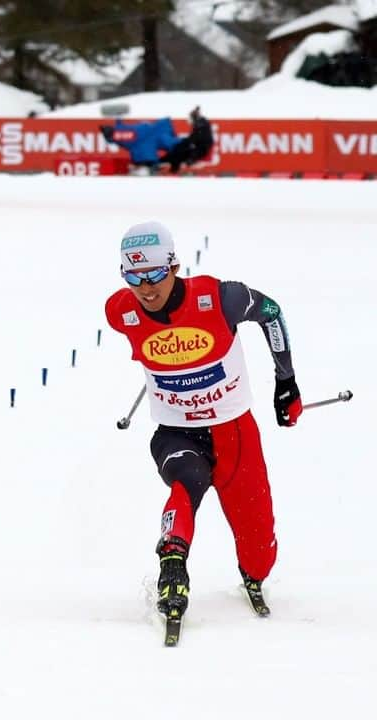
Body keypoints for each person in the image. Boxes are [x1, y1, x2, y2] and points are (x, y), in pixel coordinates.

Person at [104, 221, 301, 622]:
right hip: (175, 431)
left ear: (174, 266)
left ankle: (252, 572)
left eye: (155, 274)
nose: (146, 288)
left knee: (260, 551)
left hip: (234, 432)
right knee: (186, 480)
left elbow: (271, 312)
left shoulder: (219, 297)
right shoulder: (119, 311)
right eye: (133, 277)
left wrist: (287, 382)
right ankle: (173, 562)